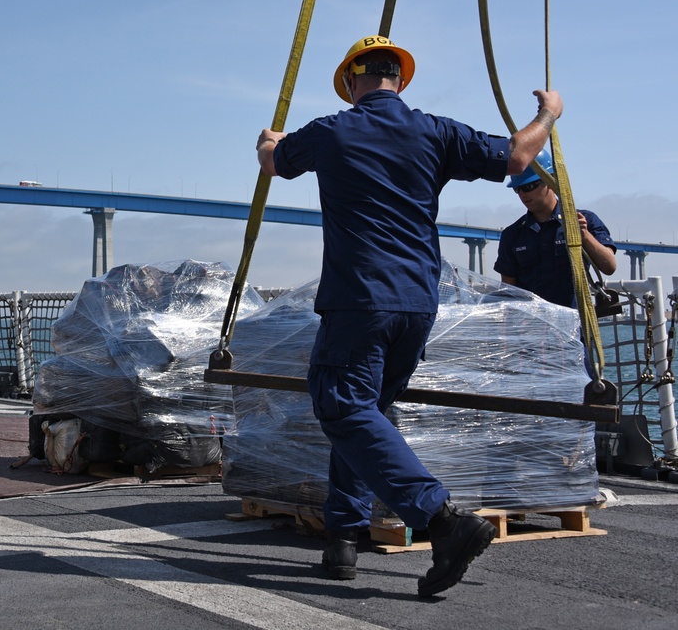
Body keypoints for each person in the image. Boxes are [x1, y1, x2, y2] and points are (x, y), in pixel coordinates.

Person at [255, 34, 562, 597]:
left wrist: (268, 140)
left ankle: (442, 519)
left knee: (342, 405)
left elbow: (274, 162)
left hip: (358, 299)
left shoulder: (329, 130)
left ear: (352, 82)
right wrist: (548, 112)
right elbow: (521, 156)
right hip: (418, 303)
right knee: (365, 417)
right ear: (400, 79)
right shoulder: (436, 130)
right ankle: (342, 541)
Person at [494, 149, 617, 308]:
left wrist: (584, 236)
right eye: (518, 189)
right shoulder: (512, 235)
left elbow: (609, 266)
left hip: (576, 325)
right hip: (533, 327)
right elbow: (509, 291)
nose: (523, 194)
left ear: (551, 180)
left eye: (530, 186)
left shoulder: (585, 220)